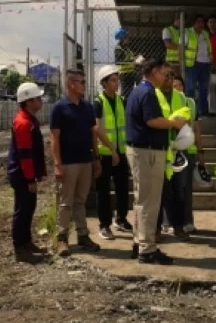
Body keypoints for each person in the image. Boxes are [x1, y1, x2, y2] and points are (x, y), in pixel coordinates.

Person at [125, 59, 187, 265]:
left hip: (141, 151)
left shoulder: (138, 91)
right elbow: (152, 121)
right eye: (164, 72)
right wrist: (174, 123)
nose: (166, 77)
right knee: (149, 202)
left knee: (142, 200)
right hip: (147, 152)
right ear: (153, 72)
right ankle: (147, 248)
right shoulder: (148, 92)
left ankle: (139, 242)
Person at [49, 69, 104, 257]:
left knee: (81, 201)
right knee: (66, 202)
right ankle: (62, 238)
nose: (84, 85)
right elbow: (54, 138)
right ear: (71, 84)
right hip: (68, 163)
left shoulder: (87, 107)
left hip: (85, 161)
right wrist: (57, 164)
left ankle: (82, 235)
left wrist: (96, 159)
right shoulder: (59, 108)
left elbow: (92, 134)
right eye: (81, 82)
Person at [7, 82, 49, 263]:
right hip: (22, 175)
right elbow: (25, 155)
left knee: (28, 209)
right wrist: (30, 178)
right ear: (28, 101)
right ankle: (20, 248)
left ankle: (26, 242)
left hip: (25, 175)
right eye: (38, 98)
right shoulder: (24, 123)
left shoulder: (29, 120)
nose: (41, 101)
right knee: (22, 211)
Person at [160, 75, 203, 237]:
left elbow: (195, 126)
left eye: (179, 85)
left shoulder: (188, 102)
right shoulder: (159, 97)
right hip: (166, 149)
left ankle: (183, 223)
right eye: (173, 84)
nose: (176, 87)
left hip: (183, 150)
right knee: (167, 188)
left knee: (182, 189)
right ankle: (166, 222)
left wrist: (200, 150)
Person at [93, 65, 132, 241]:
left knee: (123, 187)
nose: (117, 83)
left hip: (121, 152)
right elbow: (97, 128)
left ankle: (121, 219)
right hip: (105, 153)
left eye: (118, 80)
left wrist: (121, 150)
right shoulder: (98, 102)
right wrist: (112, 149)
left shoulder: (121, 100)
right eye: (113, 80)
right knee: (103, 191)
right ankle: (104, 225)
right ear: (104, 83)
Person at [181, 15, 214, 117]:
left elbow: (208, 48)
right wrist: (181, 62)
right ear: (194, 23)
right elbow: (180, 47)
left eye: (202, 22)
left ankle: (202, 111)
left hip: (205, 64)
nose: (201, 24)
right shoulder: (187, 32)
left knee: (204, 88)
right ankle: (190, 111)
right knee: (190, 88)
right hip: (192, 64)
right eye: (198, 22)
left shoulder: (205, 33)